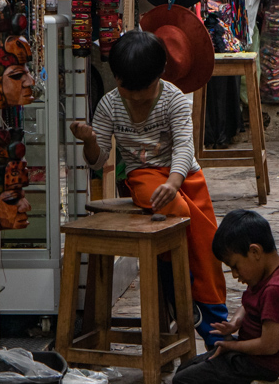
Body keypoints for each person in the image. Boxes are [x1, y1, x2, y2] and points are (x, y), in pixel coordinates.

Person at [70, 31, 228, 348]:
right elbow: (98, 160)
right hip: (144, 175)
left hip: (184, 175)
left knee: (206, 241)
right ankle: (180, 294)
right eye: (131, 89)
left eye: (146, 88)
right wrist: (89, 140)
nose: (139, 96)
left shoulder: (173, 98)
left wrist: (174, 181)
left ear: (160, 74)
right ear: (116, 78)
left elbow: (185, 146)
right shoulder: (109, 105)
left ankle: (213, 319)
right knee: (178, 214)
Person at [173, 210, 279, 384]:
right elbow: (252, 303)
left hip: (259, 364)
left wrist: (232, 347)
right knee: (185, 370)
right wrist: (235, 323)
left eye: (235, 266)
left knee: (183, 383)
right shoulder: (270, 271)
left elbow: (269, 345)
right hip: (249, 356)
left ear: (254, 252)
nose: (234, 274)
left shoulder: (276, 289)